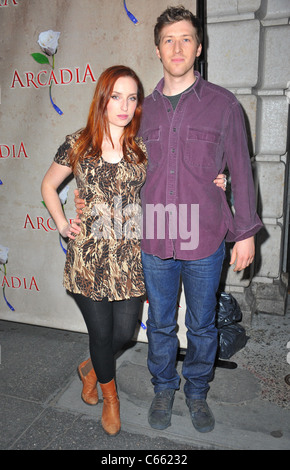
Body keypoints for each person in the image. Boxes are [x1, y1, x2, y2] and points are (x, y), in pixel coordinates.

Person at [74, 6, 263, 434]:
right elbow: (106, 157)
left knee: (202, 324)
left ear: (198, 47)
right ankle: (163, 388)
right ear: (157, 48)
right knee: (159, 323)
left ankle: (196, 391)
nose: (177, 47)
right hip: (154, 234)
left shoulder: (224, 106)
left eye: (185, 39)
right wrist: (86, 201)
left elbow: (242, 170)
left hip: (205, 237)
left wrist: (246, 233)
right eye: (168, 40)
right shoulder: (140, 111)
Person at [41, 65, 148, 436]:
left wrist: (216, 178)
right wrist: (60, 223)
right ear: (103, 98)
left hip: (129, 257)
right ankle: (110, 398)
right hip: (88, 256)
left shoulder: (143, 145)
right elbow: (48, 186)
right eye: (116, 96)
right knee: (102, 336)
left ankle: (89, 368)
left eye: (132, 97)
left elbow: (176, 181)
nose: (124, 105)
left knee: (124, 335)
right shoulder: (78, 142)